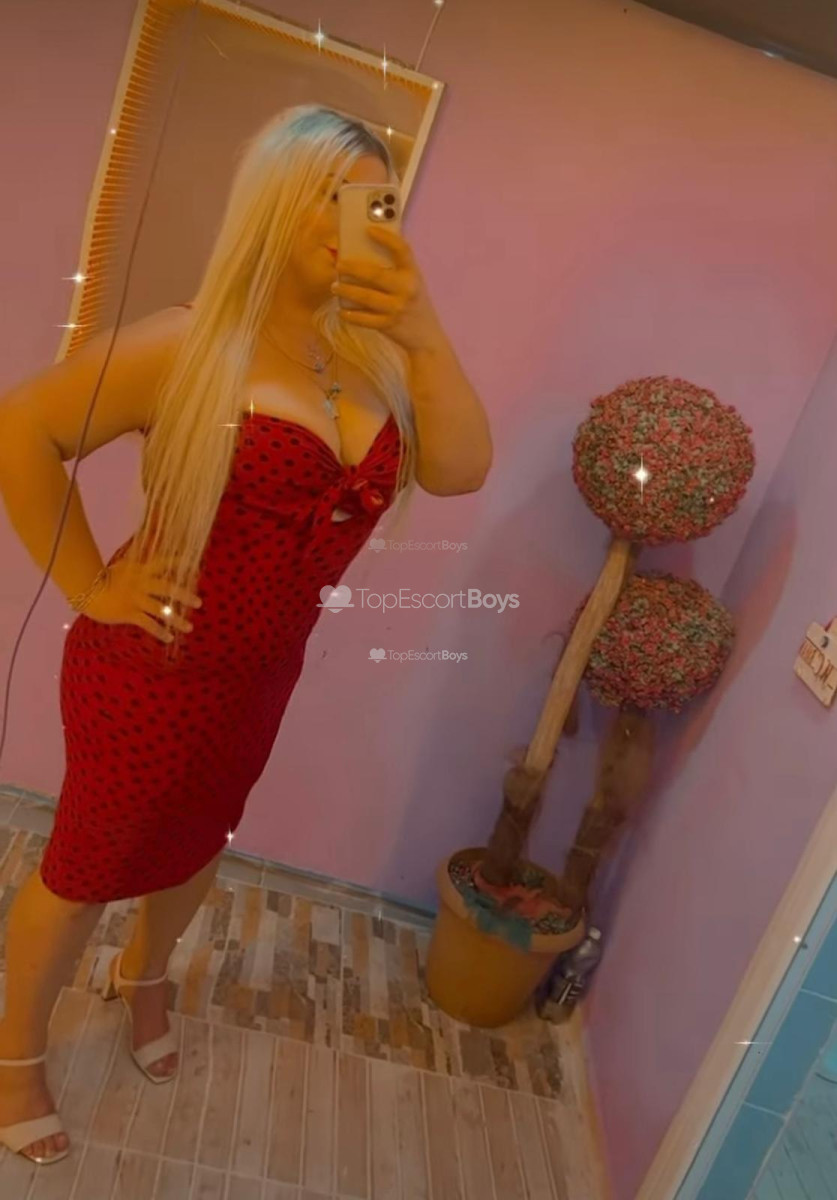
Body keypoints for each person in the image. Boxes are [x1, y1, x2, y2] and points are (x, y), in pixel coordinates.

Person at [0, 104, 492, 1164]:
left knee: (197, 849)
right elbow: (22, 426)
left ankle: (143, 982)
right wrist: (90, 585)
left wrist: (422, 329)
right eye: (330, 195)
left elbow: (460, 470)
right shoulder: (186, 342)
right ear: (274, 201)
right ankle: (13, 1058)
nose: (356, 220)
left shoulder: (371, 361)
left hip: (260, 676)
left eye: (376, 203)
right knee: (84, 871)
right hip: (148, 669)